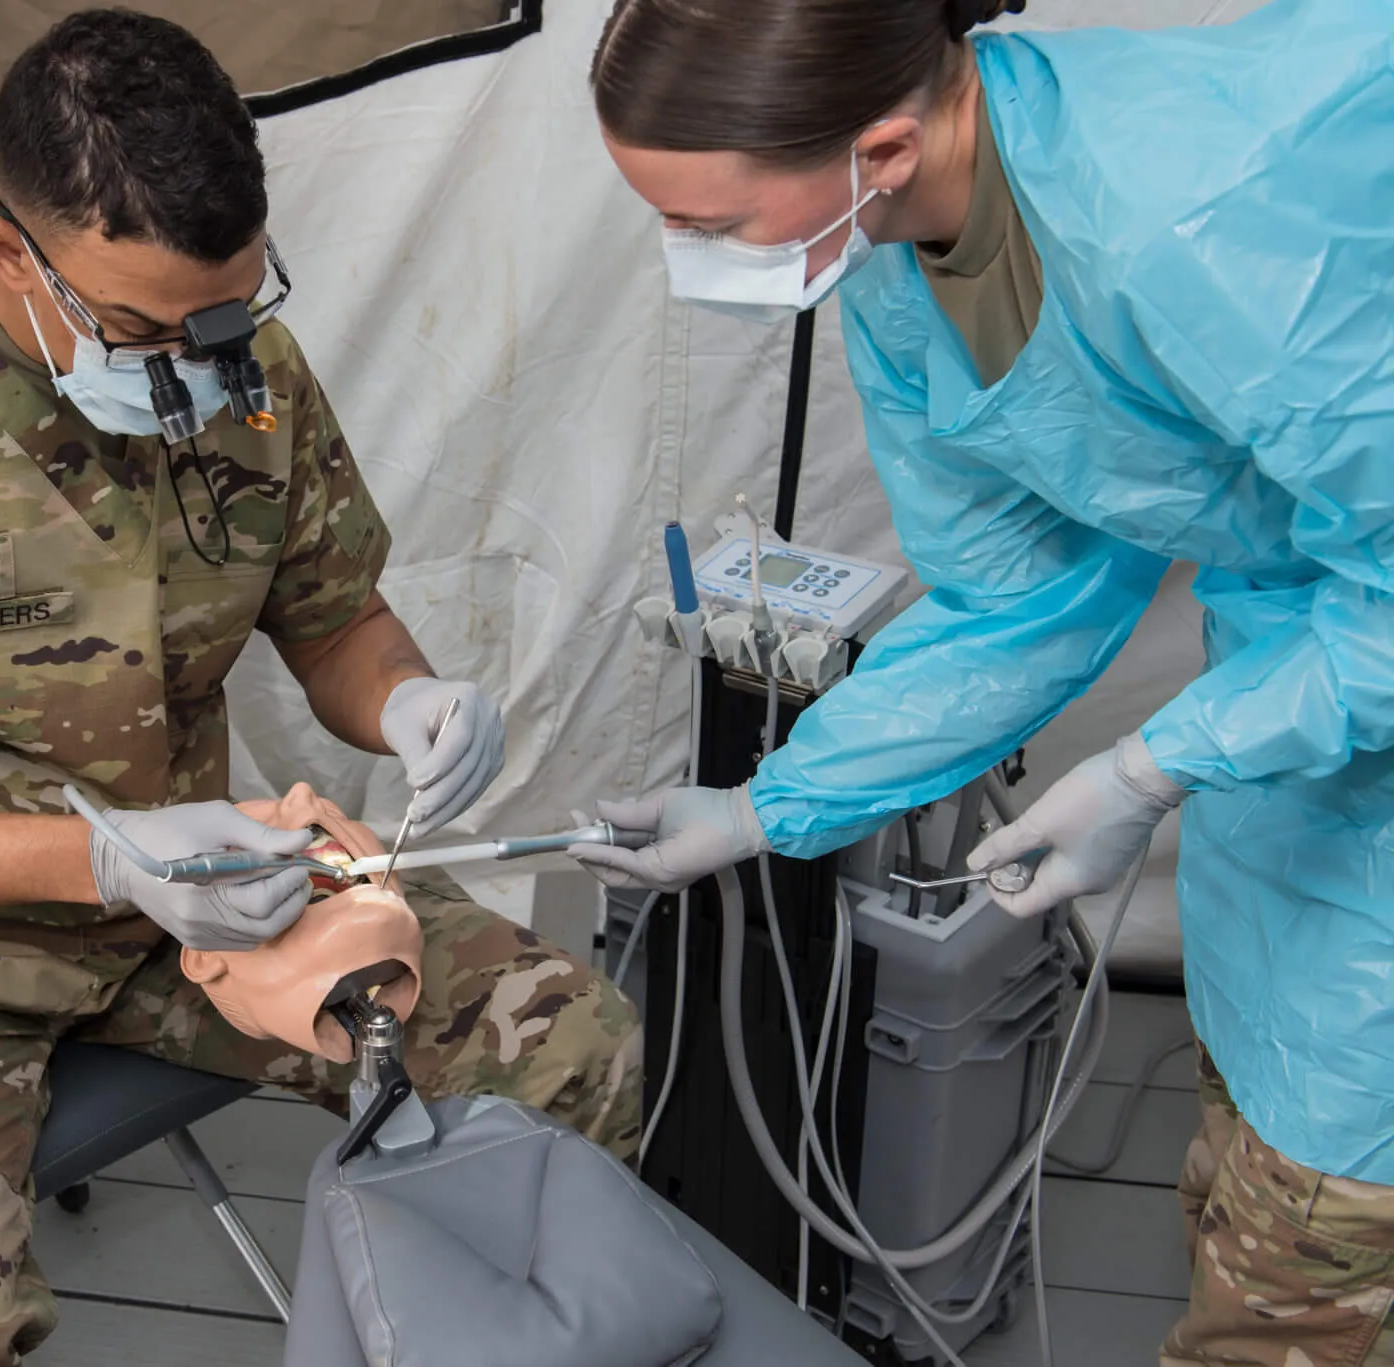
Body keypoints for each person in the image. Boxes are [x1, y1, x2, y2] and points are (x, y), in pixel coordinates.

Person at [0, 12, 640, 1364]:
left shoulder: (239, 361)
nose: (191, 367)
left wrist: (407, 695)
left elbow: (333, 610)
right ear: (13, 250)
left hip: (213, 898)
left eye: (227, 314)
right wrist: (102, 859)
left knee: (568, 1044)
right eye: (138, 327)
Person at [571, 1, 1394, 1364]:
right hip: (1311, 682)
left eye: (712, 222)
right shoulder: (901, 272)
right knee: (1268, 1114)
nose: (686, 259)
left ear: (881, 144)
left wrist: (1151, 766)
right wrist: (770, 807)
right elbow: (1019, 595)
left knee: (1313, 1230)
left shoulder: (1188, 217)